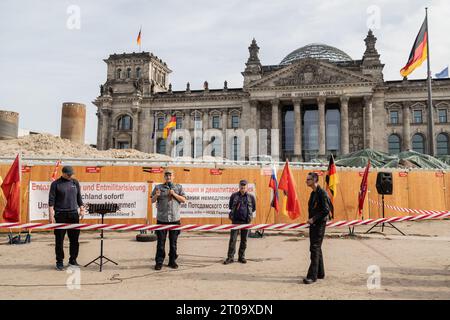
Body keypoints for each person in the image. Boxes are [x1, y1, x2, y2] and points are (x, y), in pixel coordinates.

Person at [48, 166, 85, 271]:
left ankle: (73, 260)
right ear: (63, 173)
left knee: (74, 240)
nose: (70, 176)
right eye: (68, 174)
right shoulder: (55, 184)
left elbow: (79, 197)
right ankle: (59, 262)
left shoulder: (75, 182)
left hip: (73, 214)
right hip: (60, 215)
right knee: (59, 240)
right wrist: (51, 216)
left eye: (71, 174)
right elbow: (51, 201)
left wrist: (81, 209)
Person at [151, 169, 187, 270]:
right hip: (162, 220)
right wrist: (156, 195)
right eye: (166, 176)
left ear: (173, 176)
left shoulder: (178, 187)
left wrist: (174, 194)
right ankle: (159, 262)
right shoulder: (158, 187)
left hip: (175, 220)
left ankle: (172, 261)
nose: (168, 177)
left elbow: (184, 200)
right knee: (160, 243)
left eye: (170, 175)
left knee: (173, 243)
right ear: (164, 177)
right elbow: (152, 201)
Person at [303, 172, 331, 284]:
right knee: (317, 248)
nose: (306, 181)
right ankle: (320, 273)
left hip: (319, 225)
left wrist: (314, 219)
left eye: (308, 179)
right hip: (313, 224)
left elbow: (326, 210)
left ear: (315, 180)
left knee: (314, 248)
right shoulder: (313, 193)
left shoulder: (322, 193)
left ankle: (312, 276)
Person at [224, 180, 256, 265]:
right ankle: (230, 257)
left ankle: (241, 257)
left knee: (244, 240)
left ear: (247, 187)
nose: (242, 189)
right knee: (233, 240)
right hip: (235, 221)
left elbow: (253, 208)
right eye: (241, 187)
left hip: (246, 221)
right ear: (239, 187)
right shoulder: (234, 196)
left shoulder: (251, 197)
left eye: (244, 187)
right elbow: (231, 206)